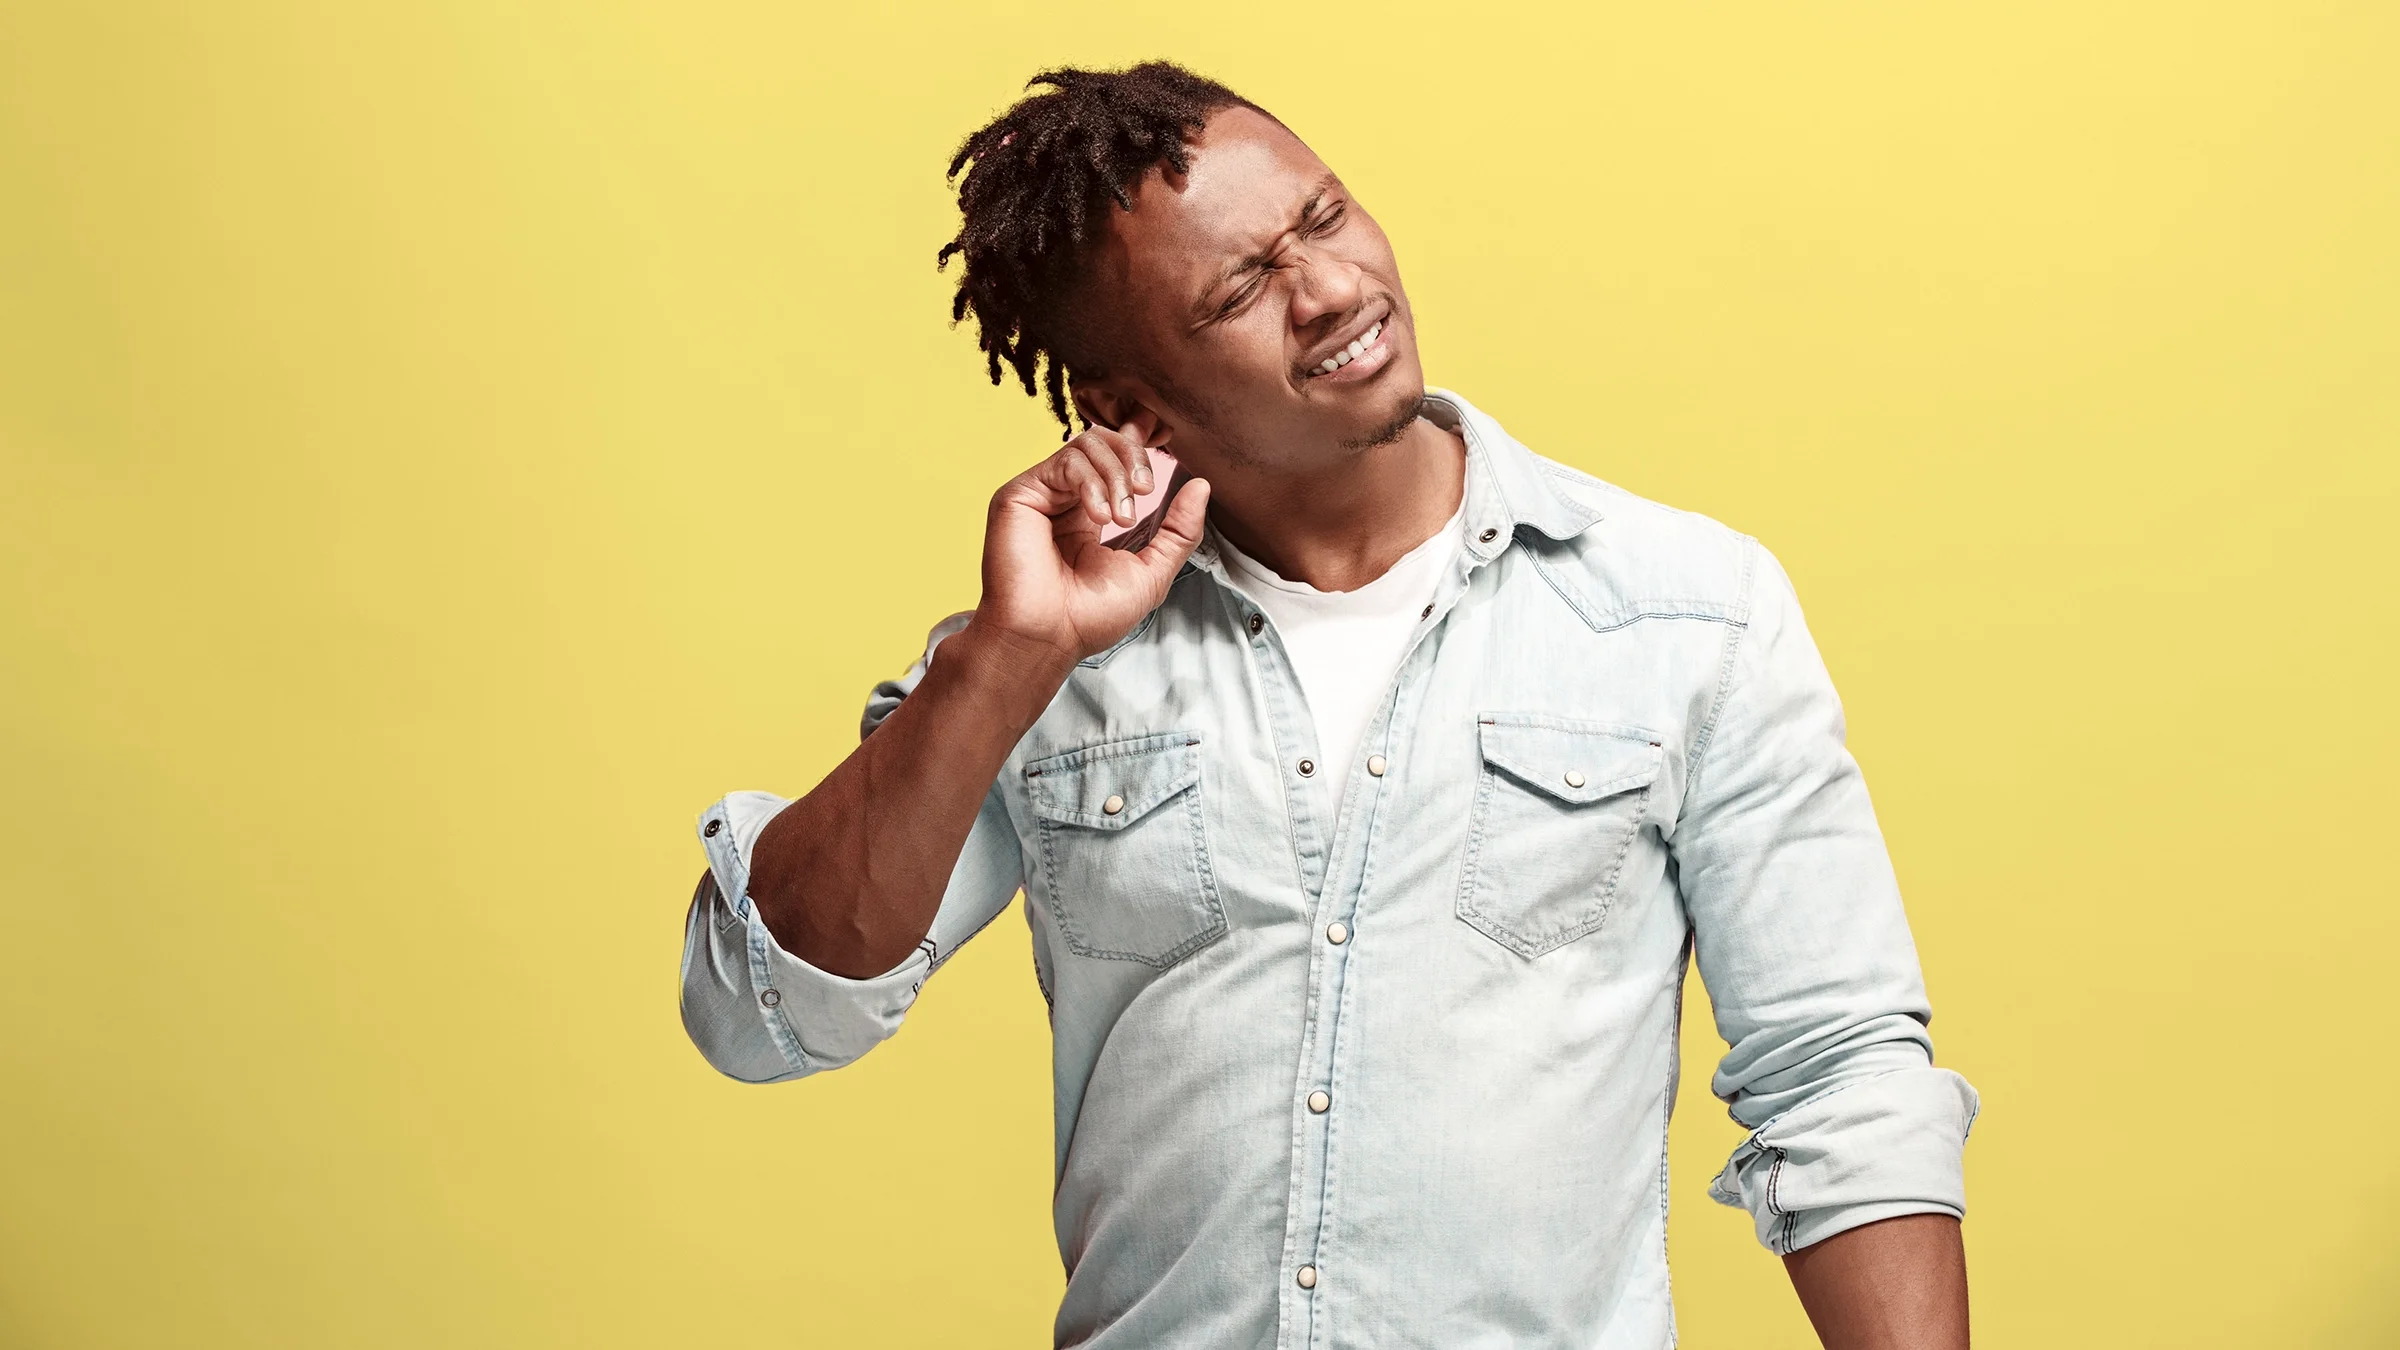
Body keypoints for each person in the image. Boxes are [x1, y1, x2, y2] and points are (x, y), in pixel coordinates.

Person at [678, 61, 1978, 1350]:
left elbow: (1841, 1084)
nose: (1338, 290)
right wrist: (1009, 655)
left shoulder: (1687, 610)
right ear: (1130, 410)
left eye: (1326, 215)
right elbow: (758, 1012)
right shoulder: (1036, 661)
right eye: (1243, 288)